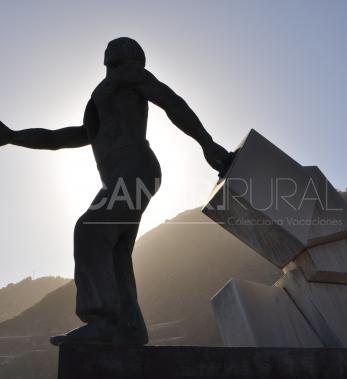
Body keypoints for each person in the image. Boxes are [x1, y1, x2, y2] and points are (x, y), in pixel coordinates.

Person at [0, 37, 232, 345]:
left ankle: (105, 320)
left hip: (135, 169)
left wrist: (206, 142)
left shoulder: (129, 75)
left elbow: (171, 102)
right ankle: (130, 329)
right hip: (122, 177)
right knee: (116, 252)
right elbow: (63, 137)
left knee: (91, 230)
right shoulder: (103, 96)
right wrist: (14, 136)